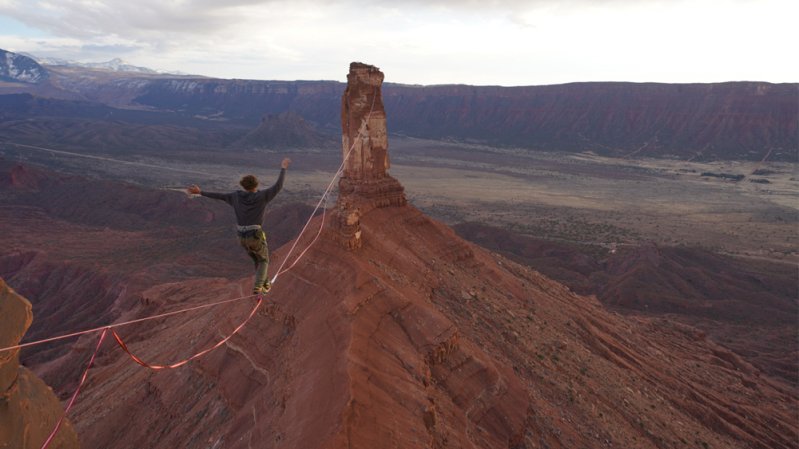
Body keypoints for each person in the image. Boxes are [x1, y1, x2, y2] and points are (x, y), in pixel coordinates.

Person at [188, 158, 291, 295]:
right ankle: (258, 286)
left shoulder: (235, 196)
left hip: (242, 237)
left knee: (257, 260)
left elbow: (218, 196)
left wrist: (200, 192)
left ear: (243, 186)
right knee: (264, 260)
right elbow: (278, 186)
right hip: (255, 235)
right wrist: (283, 168)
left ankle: (265, 285)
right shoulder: (262, 196)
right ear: (256, 184)